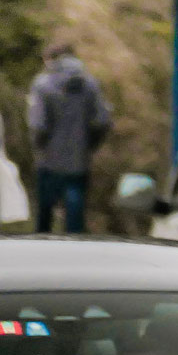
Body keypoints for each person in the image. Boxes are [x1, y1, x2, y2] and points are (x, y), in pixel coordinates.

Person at [27, 42, 111, 234]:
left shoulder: (42, 84)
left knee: (45, 215)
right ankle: (76, 253)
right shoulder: (89, 84)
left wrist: (38, 148)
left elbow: (38, 125)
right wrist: (89, 145)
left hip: (48, 161)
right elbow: (102, 120)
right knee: (75, 214)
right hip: (78, 159)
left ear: (51, 60)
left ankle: (42, 253)